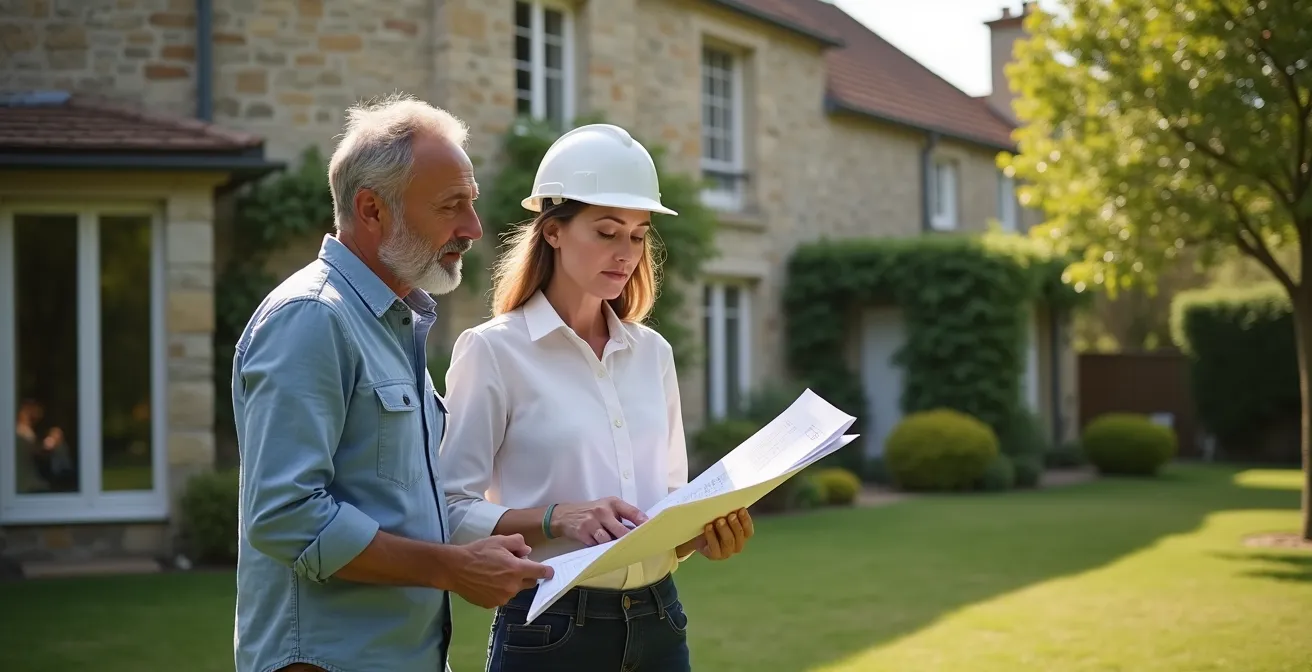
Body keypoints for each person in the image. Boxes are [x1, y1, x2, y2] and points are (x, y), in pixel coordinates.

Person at [230, 93, 553, 672]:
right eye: (452, 206)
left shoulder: (393, 324)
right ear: (372, 209)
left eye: (472, 204)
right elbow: (286, 515)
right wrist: (450, 568)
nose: (474, 229)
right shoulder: (312, 317)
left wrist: (520, 533)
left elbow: (405, 506)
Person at [438, 123, 756, 672]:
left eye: (637, 235)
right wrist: (557, 518)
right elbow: (447, 509)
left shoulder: (653, 353)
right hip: (550, 628)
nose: (626, 252)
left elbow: (666, 506)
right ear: (554, 231)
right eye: (607, 231)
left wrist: (700, 536)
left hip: (661, 622)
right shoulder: (493, 351)